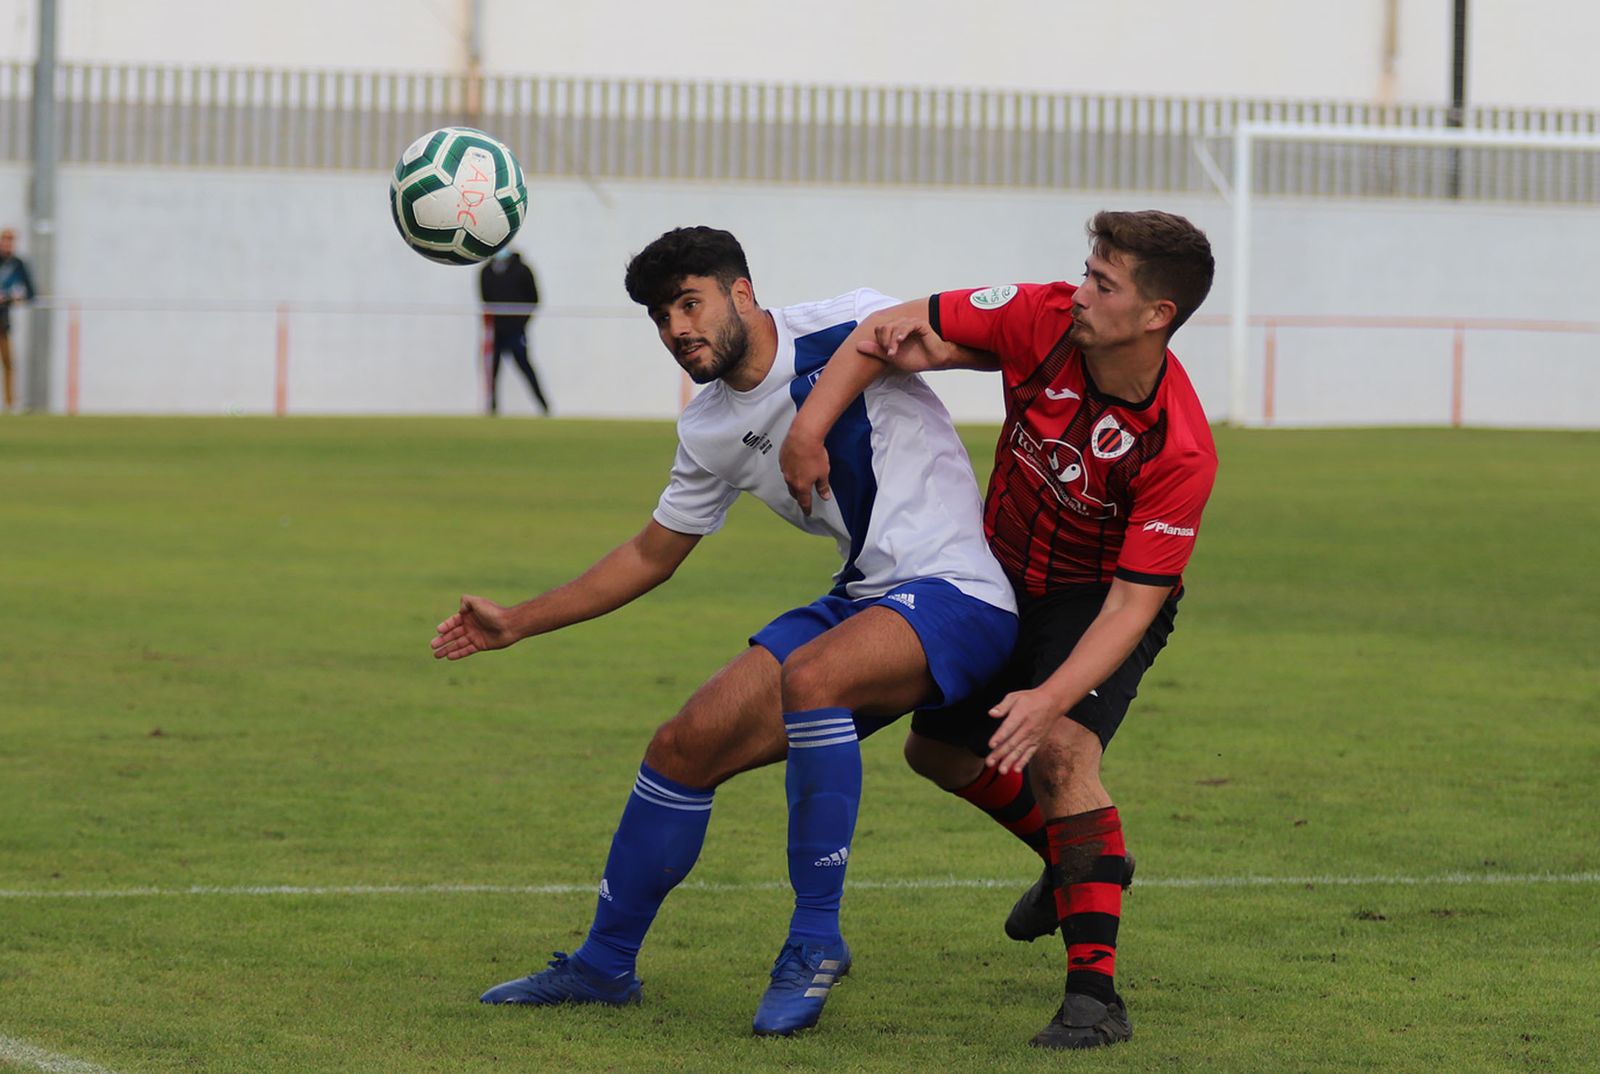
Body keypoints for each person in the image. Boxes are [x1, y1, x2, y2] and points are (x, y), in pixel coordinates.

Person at [431, 226, 1019, 1036]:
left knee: (812, 678)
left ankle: (814, 941)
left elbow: (994, 346)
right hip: (866, 600)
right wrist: (517, 622)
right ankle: (605, 966)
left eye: (689, 303)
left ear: (742, 293)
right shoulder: (707, 428)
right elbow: (648, 555)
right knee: (682, 745)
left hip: (960, 591)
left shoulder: (845, 320)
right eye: (660, 316)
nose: (677, 328)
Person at [781, 209, 1217, 1051]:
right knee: (935, 752)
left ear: (1157, 315)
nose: (1080, 291)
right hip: (999, 573)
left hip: (1099, 599)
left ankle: (1096, 1001)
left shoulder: (1181, 447)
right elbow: (887, 331)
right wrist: (808, 429)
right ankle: (1075, 861)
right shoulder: (1044, 316)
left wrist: (1050, 698)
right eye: (1087, 270)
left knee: (1060, 755)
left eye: (1104, 283)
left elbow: (1133, 604)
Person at [478, 247, 550, 415]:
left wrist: (521, 323)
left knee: (525, 367)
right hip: (496, 331)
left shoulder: (523, 270)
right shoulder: (486, 271)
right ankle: (492, 409)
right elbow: (485, 300)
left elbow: (534, 299)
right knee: (492, 371)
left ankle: (544, 407)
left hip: (516, 331)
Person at [0, 228, 37, 413]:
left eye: (10, 241)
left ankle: (9, 404)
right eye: (4, 241)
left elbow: (31, 293)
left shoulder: (18, 264)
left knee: (8, 362)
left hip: (3, 320)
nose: (7, 244)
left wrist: (13, 298)